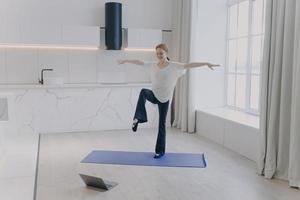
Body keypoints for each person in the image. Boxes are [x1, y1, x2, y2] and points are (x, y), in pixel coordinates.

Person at [118, 43, 219, 158]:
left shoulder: (174, 66)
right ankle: (138, 118)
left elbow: (188, 65)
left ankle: (159, 151)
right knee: (143, 92)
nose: (159, 55)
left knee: (162, 124)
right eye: (157, 53)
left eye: (161, 53)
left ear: (166, 53)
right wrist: (126, 61)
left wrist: (205, 63)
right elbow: (139, 62)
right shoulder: (153, 65)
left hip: (165, 99)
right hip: (154, 95)